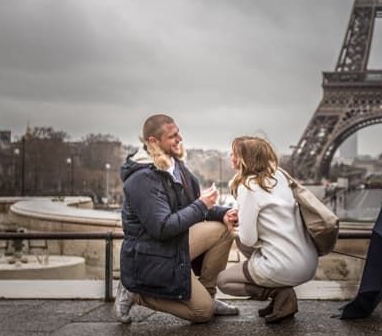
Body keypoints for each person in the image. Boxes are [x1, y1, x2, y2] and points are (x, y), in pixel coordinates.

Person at [115, 114, 239, 324]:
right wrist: (202, 205)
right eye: (172, 136)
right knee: (203, 313)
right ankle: (135, 293)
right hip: (151, 253)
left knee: (223, 228)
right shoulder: (142, 179)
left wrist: (222, 213)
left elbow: (192, 207)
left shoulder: (174, 165)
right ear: (153, 141)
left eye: (178, 133)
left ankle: (208, 295)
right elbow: (162, 227)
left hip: (170, 245)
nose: (179, 138)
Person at [217, 136, 319, 323]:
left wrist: (233, 229)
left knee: (223, 281)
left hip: (283, 265)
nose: (231, 157)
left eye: (235, 154)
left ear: (247, 159)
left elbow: (247, 240)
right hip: (309, 262)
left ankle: (279, 292)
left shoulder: (247, 186)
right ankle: (280, 294)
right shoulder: (279, 175)